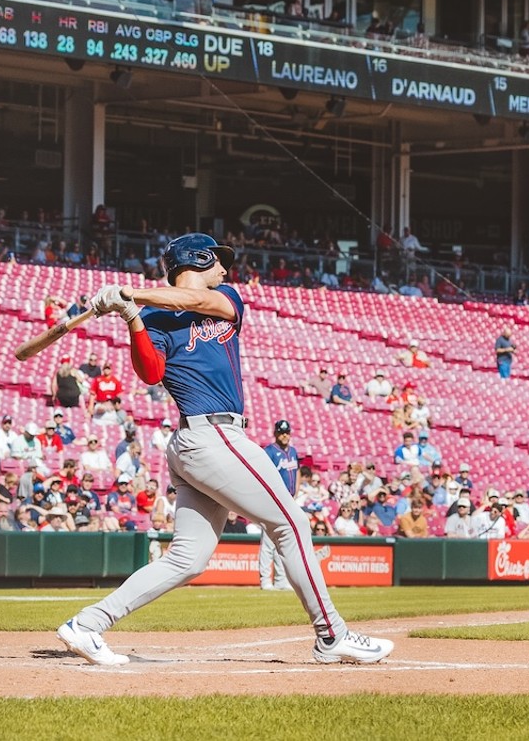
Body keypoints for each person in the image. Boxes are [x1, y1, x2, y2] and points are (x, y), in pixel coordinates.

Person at [57, 233, 393, 666]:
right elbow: (150, 372)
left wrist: (130, 294)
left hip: (209, 441)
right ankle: (332, 635)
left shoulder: (225, 298)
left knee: (187, 558)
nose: (225, 269)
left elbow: (199, 303)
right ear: (196, 259)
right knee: (291, 522)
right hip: (208, 436)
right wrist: (132, 318)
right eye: (218, 260)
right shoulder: (155, 317)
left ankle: (86, 625)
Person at [258, 420, 297, 591]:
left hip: (289, 501)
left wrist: (296, 491)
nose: (285, 435)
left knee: (283, 542)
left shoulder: (293, 451)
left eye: (287, 432)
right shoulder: (269, 451)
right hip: (273, 502)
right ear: (275, 433)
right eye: (281, 432)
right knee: (268, 543)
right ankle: (265, 580)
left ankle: (281, 580)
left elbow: (297, 472)